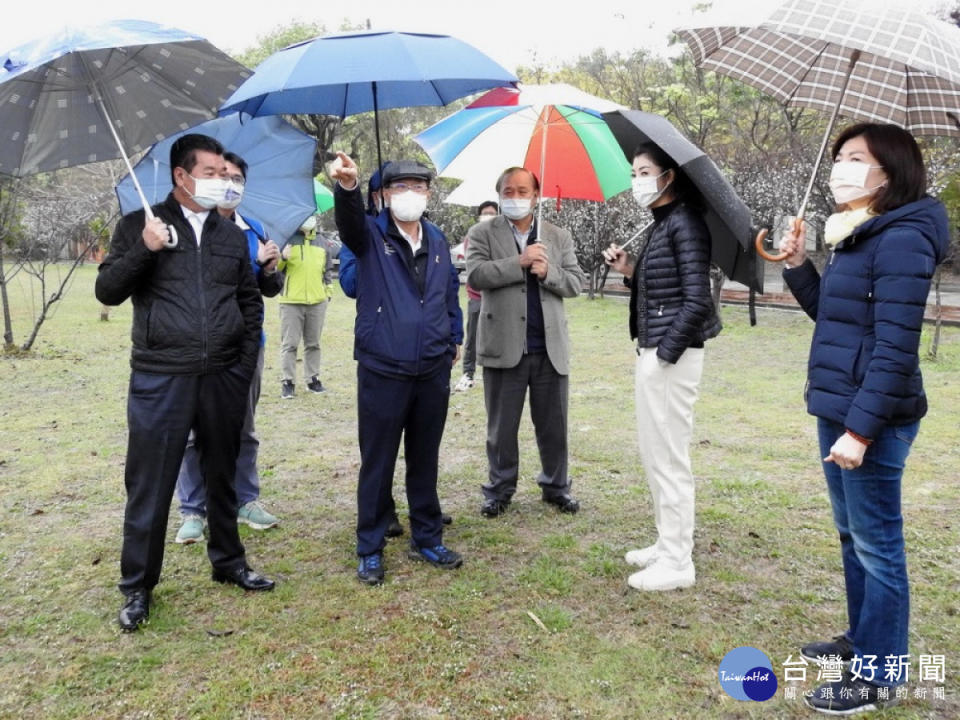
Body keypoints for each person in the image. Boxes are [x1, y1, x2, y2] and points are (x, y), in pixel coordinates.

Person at [777, 123, 948, 715]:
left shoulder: (902, 237)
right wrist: (800, 266)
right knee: (854, 537)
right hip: (840, 405)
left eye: (856, 159)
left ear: (889, 172)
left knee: (878, 544)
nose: (841, 168)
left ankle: (879, 674)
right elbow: (836, 319)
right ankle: (862, 640)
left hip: (870, 417)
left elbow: (895, 348)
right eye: (839, 157)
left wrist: (861, 430)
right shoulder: (859, 232)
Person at [95, 133, 275, 632]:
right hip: (161, 377)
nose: (224, 181)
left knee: (223, 472)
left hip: (222, 375)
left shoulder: (229, 235)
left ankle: (229, 561)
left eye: (226, 173)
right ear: (182, 175)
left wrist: (240, 365)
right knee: (149, 486)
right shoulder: (140, 225)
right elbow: (108, 290)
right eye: (213, 173)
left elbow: (248, 298)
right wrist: (144, 251)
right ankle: (137, 587)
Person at [331, 153, 464, 585]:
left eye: (418, 187)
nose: (410, 194)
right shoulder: (369, 235)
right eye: (400, 187)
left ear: (429, 193)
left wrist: (454, 337)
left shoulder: (438, 239)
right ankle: (369, 545)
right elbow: (349, 222)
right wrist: (349, 187)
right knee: (379, 460)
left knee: (425, 457)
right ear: (385, 195)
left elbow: (449, 293)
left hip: (432, 368)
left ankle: (426, 535)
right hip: (383, 367)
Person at [603, 143, 721, 592]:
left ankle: (677, 561)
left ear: (669, 176)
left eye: (645, 171)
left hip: (671, 356)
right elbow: (664, 288)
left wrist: (664, 356)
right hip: (656, 350)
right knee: (655, 453)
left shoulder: (685, 223)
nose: (637, 180)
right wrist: (630, 268)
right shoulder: (663, 224)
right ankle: (665, 542)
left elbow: (697, 301)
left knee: (670, 457)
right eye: (634, 172)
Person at [173, 151, 284, 545]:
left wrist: (270, 269)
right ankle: (193, 509)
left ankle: (246, 499)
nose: (231, 185)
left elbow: (268, 291)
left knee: (244, 427)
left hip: (247, 345)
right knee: (190, 432)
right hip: (196, 347)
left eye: (238, 179)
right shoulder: (190, 230)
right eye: (224, 177)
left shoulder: (254, 227)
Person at [465, 167, 585, 518]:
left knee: (554, 425)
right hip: (504, 345)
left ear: (536, 195)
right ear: (499, 194)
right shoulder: (482, 232)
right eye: (508, 190)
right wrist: (519, 262)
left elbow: (575, 283)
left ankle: (556, 486)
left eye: (522, 191)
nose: (515, 197)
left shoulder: (557, 236)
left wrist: (549, 272)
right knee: (501, 428)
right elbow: (475, 275)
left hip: (550, 348)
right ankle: (499, 490)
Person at [277, 214, 334, 399]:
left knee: (314, 343)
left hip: (317, 302)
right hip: (291, 302)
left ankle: (313, 379)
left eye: (312, 215)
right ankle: (288, 382)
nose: (309, 219)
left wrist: (328, 292)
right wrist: (283, 257)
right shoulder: (287, 240)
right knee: (290, 344)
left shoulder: (322, 242)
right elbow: (275, 269)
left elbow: (327, 270)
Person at [453, 200, 498, 392]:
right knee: (472, 336)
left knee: (498, 335)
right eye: (485, 213)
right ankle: (468, 374)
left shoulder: (503, 237)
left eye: (492, 213)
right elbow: (474, 266)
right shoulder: (472, 236)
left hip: (498, 296)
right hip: (477, 296)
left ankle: (496, 372)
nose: (488, 216)